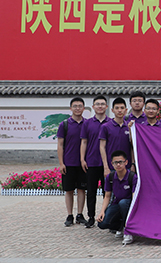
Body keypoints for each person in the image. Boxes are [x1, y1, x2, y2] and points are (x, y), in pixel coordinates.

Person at [80, 95, 110, 228]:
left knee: (107, 192)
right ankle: (91, 217)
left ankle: (106, 216)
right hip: (91, 162)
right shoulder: (87, 123)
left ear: (106, 107)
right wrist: (82, 159)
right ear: (93, 107)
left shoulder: (111, 123)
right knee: (91, 191)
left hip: (107, 164)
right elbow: (84, 142)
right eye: (97, 104)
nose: (100, 106)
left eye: (102, 104)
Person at [58, 97, 87, 227]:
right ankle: (69, 215)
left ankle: (80, 215)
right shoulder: (64, 125)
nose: (77, 108)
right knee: (69, 190)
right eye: (75, 106)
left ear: (84, 108)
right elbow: (60, 145)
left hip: (83, 163)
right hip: (68, 162)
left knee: (82, 189)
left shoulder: (87, 124)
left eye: (80, 106)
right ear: (70, 108)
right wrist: (61, 163)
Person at [97, 150, 137, 245]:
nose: (118, 165)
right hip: (117, 204)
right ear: (112, 164)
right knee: (102, 223)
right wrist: (102, 211)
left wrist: (132, 214)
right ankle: (120, 227)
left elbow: (134, 197)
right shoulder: (110, 177)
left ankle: (129, 231)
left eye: (120, 162)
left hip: (128, 204)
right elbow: (107, 196)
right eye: (115, 162)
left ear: (126, 162)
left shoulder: (132, 177)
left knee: (123, 203)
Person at [100, 98, 132, 177]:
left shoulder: (130, 127)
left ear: (126, 110)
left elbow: (132, 147)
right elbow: (102, 147)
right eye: (117, 108)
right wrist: (106, 167)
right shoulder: (105, 127)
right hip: (111, 167)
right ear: (112, 110)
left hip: (127, 167)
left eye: (122, 108)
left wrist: (133, 164)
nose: (119, 110)